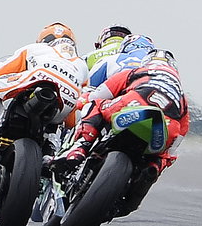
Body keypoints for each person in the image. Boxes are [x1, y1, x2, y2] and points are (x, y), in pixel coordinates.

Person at [51, 47, 189, 211]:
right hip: (167, 123)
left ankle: (80, 148)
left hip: (135, 102)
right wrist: (160, 163)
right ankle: (145, 178)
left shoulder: (135, 72)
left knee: (94, 105)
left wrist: (81, 101)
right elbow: (176, 143)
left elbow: (97, 96)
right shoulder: (181, 94)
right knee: (161, 157)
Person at [0, 23, 89, 166]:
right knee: (59, 121)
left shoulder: (37, 49)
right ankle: (49, 153)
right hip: (67, 99)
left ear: (44, 40)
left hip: (37, 80)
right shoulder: (82, 64)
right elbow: (74, 115)